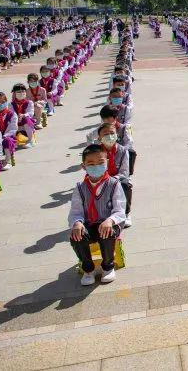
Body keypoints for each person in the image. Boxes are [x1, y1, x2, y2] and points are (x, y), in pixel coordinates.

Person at [68, 145, 126, 287]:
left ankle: (108, 266)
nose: (96, 166)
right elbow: (76, 211)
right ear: (83, 166)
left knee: (106, 232)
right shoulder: (80, 187)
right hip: (89, 224)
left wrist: (110, 220)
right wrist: (77, 223)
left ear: (107, 161)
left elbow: (120, 209)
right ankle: (88, 269)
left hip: (108, 224)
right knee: (77, 235)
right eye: (91, 164)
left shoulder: (114, 184)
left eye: (101, 162)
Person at [95, 123, 133, 227]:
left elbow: (124, 172)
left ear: (116, 134)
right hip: (100, 179)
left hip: (118, 179)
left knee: (126, 185)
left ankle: (126, 213)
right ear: (99, 137)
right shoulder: (95, 151)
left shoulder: (123, 150)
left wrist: (112, 180)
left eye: (112, 133)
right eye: (105, 134)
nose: (109, 136)